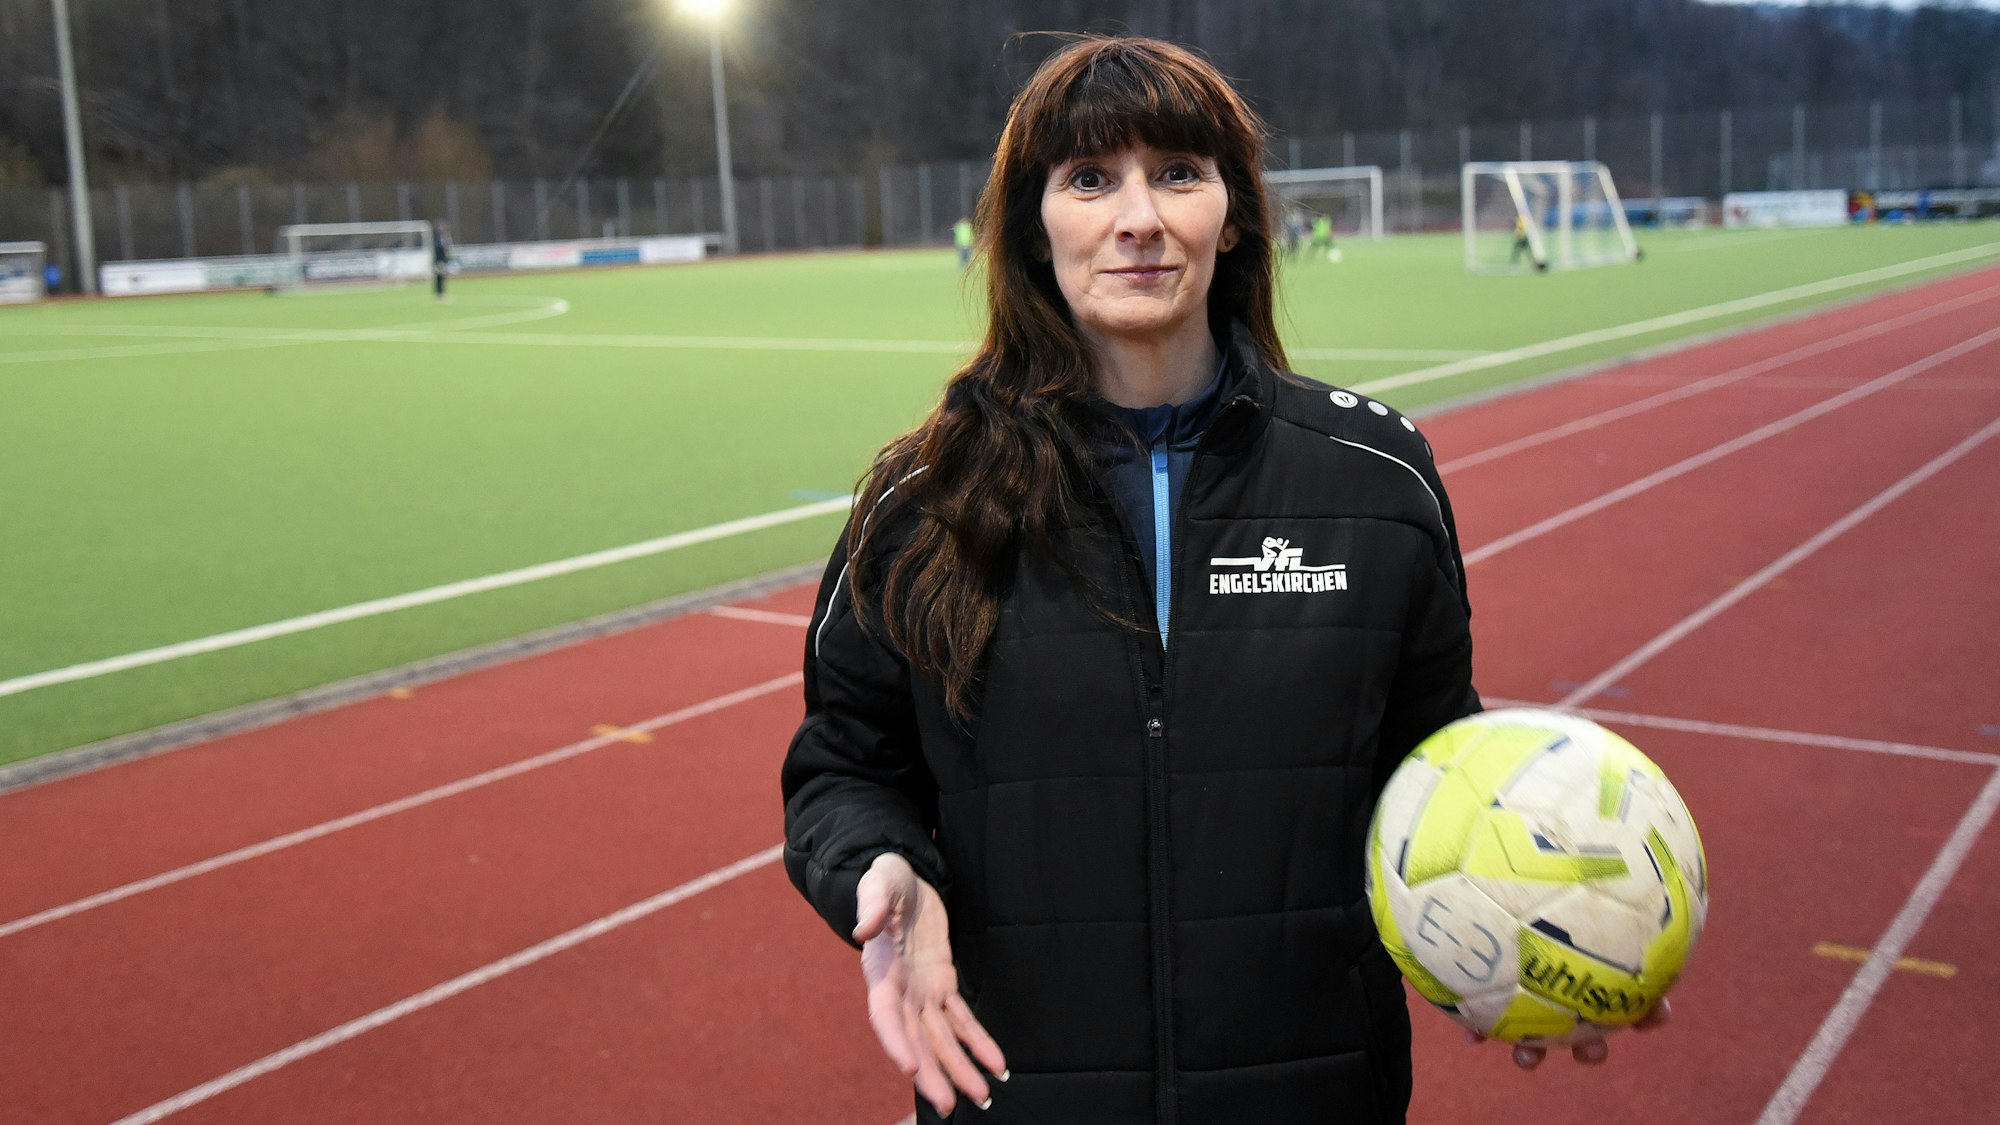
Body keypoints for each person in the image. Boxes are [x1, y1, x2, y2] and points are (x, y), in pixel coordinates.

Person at [781, 35, 1660, 1125]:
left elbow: (1438, 770)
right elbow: (843, 764)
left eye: (1177, 174)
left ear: (1231, 214)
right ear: (1032, 225)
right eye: (1089, 179)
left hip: (1315, 1093)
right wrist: (876, 863)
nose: (1137, 218)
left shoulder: (1374, 479)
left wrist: (1537, 926)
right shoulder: (925, 500)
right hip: (1020, 1095)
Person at [430, 220, 453, 301]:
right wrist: (439, 261)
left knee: (442, 277)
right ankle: (439, 294)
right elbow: (438, 251)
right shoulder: (437, 239)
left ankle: (441, 293)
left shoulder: (443, 238)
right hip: (439, 261)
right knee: (439, 277)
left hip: (442, 261)